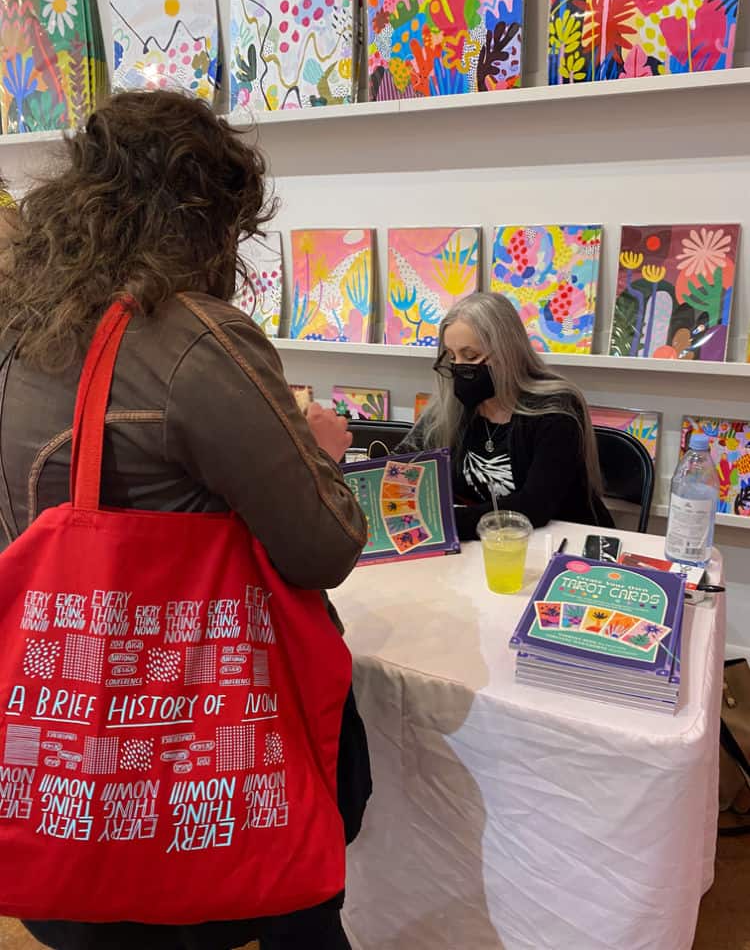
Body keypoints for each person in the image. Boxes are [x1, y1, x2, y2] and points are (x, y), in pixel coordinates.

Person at [0, 90, 370, 950]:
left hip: (73, 759)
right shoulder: (192, 336)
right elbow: (324, 545)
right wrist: (314, 449)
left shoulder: (22, 331)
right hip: (203, 757)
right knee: (300, 917)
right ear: (205, 215)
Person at [396, 292, 613, 538]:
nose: (458, 367)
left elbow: (533, 507)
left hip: (563, 544)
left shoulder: (556, 410)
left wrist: (441, 523)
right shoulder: (452, 408)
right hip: (490, 545)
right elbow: (403, 462)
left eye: (470, 356)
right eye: (451, 356)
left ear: (507, 352)